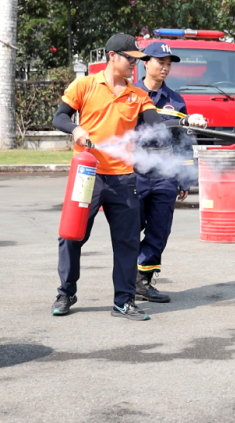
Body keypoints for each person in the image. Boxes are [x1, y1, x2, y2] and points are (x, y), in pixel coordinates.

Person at [50, 33, 177, 321]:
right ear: (112, 56)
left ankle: (123, 302)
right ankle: (66, 292)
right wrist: (76, 130)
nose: (135, 64)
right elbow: (59, 117)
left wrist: (185, 123)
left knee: (127, 241)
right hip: (87, 175)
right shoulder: (85, 84)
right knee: (72, 236)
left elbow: (157, 127)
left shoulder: (138, 95)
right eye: (130, 58)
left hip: (122, 179)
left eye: (137, 59)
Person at [132, 41, 207, 303]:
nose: (165, 67)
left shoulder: (175, 100)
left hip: (165, 173)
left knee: (159, 230)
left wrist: (185, 177)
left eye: (168, 63)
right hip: (134, 172)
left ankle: (143, 282)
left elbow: (185, 141)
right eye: (160, 62)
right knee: (130, 228)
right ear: (145, 63)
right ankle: (125, 280)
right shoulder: (129, 94)